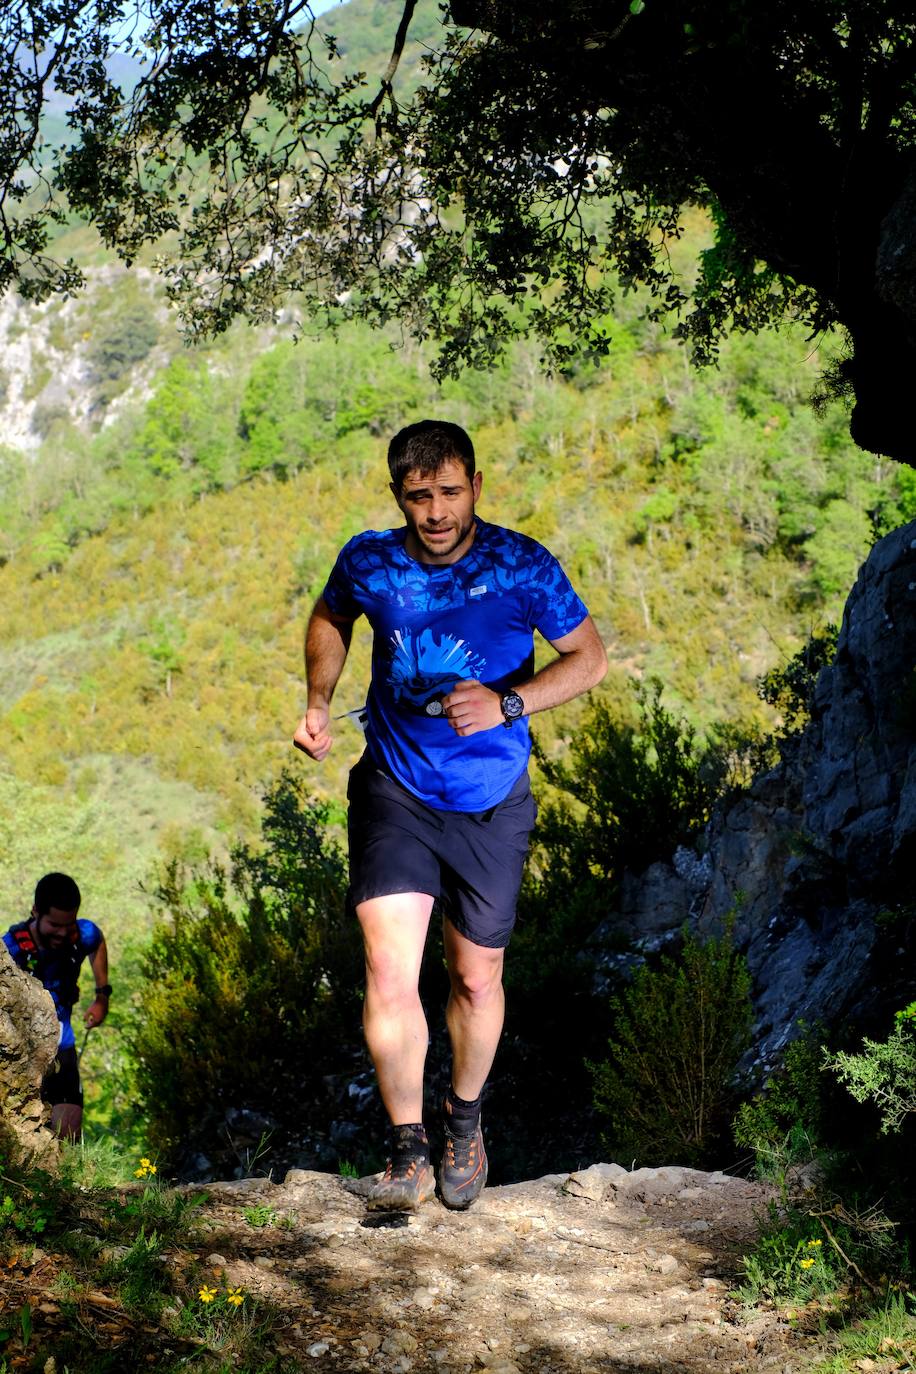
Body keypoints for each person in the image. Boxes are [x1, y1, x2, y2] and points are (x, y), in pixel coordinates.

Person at [293, 419, 606, 1211]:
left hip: (490, 800)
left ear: (475, 487)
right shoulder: (371, 560)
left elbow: (589, 659)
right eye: (419, 495)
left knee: (475, 976)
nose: (435, 511)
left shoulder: (519, 564)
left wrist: (507, 702)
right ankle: (407, 1153)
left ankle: (463, 1120)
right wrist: (319, 703)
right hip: (395, 788)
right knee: (391, 970)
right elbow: (330, 618)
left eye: (450, 492)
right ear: (399, 495)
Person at [3, 872, 111, 1141]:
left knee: (69, 1132)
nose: (63, 933)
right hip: (21, 1053)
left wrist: (101, 996)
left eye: (69, 924)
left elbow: (97, 941)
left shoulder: (81, 935)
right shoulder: (11, 949)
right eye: (54, 924)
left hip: (62, 1043)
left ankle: (65, 1181)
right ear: (35, 911)